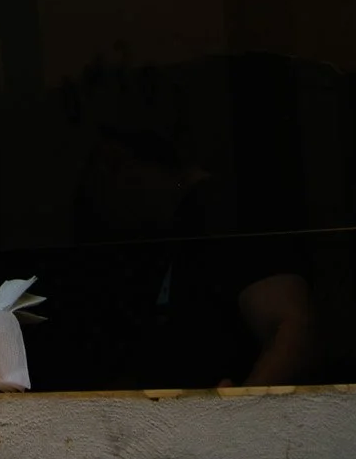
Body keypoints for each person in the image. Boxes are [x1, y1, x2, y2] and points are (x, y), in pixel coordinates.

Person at [64, 125, 318, 389]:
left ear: (121, 162)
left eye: (103, 182)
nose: (105, 208)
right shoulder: (164, 238)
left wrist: (243, 405)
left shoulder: (225, 212)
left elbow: (291, 328)